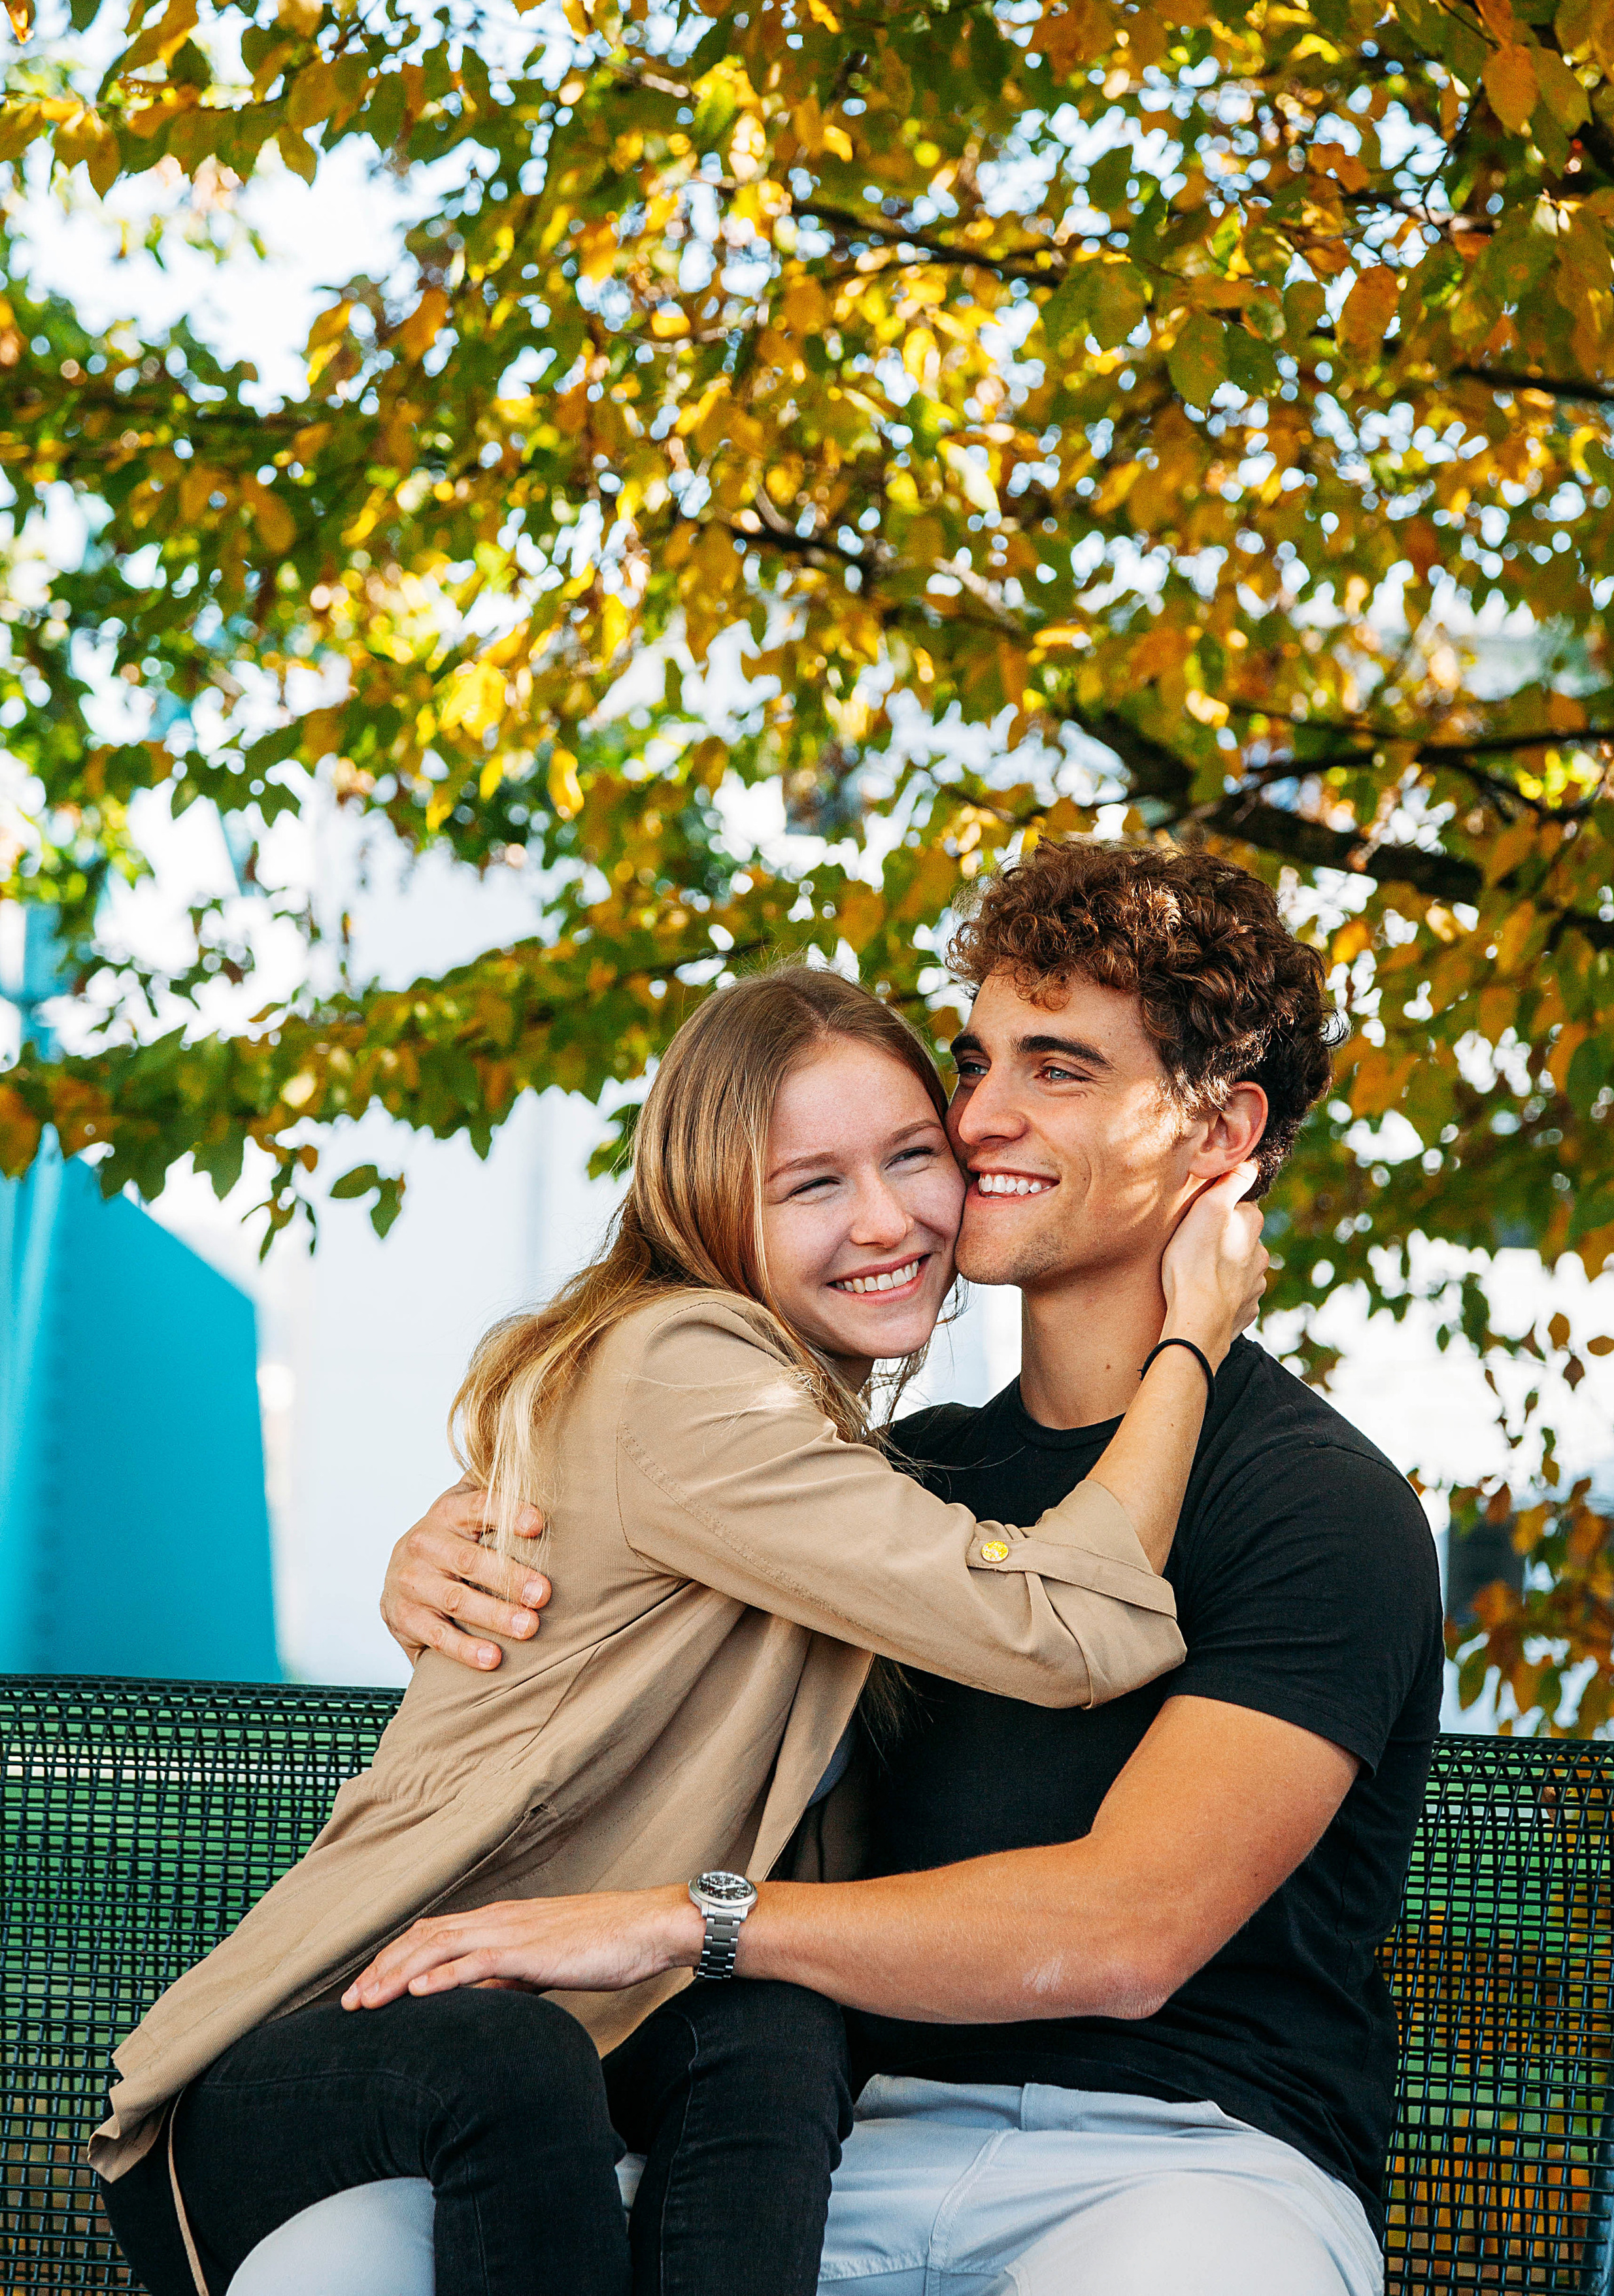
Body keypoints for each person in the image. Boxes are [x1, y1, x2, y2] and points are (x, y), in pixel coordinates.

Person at [90, 957, 1268, 2296]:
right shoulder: (687, 1368)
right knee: (510, 2050)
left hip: (580, 2047)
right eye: (811, 1185)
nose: (885, 1221)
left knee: (765, 2021)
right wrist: (1191, 1339)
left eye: (906, 1158)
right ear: (711, 1203)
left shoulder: (832, 1447)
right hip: (304, 2079)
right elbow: (1073, 1632)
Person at [366, 844, 1445, 2296]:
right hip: (850, 2141)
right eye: (974, 1059)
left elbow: (1122, 1933)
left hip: (1187, 2162)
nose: (980, 1116)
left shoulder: (1319, 1508)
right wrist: (449, 1545)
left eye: (1056, 1068)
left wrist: (692, 1921)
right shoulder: (902, 1472)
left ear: (1217, 1133)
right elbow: (620, 1589)